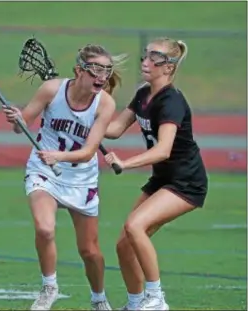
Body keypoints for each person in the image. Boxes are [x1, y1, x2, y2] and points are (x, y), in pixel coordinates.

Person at [2, 44, 126, 310]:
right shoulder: (51, 90)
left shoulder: (105, 103)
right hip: (43, 170)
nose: (102, 77)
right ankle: (49, 287)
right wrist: (17, 118)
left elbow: (89, 151)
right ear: (79, 70)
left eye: (107, 70)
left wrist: (58, 157)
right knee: (45, 228)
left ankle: (99, 299)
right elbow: (19, 127)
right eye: (96, 70)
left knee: (89, 251)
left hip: (81, 177)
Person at [104, 37, 208, 311]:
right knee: (124, 246)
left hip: (186, 182)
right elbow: (113, 130)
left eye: (156, 58)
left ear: (169, 67)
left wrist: (125, 164)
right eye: (146, 55)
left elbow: (163, 150)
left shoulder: (171, 101)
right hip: (162, 180)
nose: (146, 62)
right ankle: (137, 304)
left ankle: (156, 297)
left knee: (135, 226)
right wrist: (82, 113)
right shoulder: (142, 94)